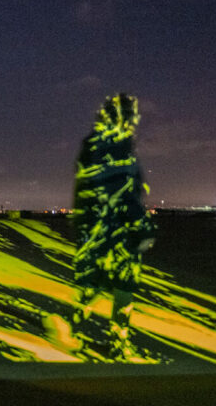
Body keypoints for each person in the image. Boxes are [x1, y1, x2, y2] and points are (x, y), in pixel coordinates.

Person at [71, 93, 156, 359]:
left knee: (101, 282)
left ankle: (75, 325)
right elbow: (124, 192)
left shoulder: (93, 146)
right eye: (131, 116)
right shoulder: (116, 147)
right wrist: (140, 225)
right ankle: (116, 341)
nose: (134, 121)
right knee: (122, 285)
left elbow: (85, 190)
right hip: (117, 229)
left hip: (100, 228)